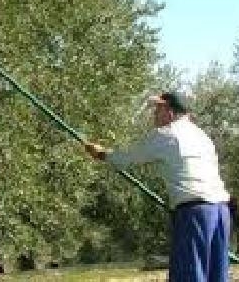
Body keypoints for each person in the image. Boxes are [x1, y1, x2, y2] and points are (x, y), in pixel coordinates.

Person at [84, 91, 231, 282]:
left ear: (170, 112)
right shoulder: (201, 136)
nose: (154, 114)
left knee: (189, 276)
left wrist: (101, 154)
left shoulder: (166, 135)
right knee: (217, 277)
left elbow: (128, 158)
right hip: (221, 212)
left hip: (194, 213)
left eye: (158, 109)